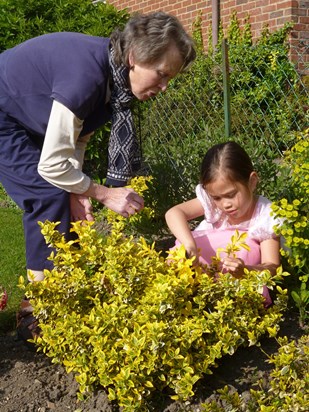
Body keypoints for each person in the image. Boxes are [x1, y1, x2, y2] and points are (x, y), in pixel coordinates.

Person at [0, 11, 196, 341]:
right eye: (161, 75)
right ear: (135, 56)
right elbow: (52, 166)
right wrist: (103, 193)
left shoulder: (112, 83)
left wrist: (78, 191)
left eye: (169, 80)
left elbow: (77, 139)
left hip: (22, 118)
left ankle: (67, 294)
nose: (163, 87)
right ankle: (36, 313)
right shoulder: (87, 77)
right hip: (4, 115)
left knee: (62, 196)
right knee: (47, 196)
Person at [165, 141, 281, 305]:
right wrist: (190, 245)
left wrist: (246, 270)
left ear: (252, 182)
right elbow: (174, 213)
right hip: (206, 270)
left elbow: (272, 266)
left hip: (239, 281)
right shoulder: (214, 203)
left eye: (231, 194)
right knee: (180, 253)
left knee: (245, 245)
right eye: (217, 198)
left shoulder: (265, 215)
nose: (225, 204)